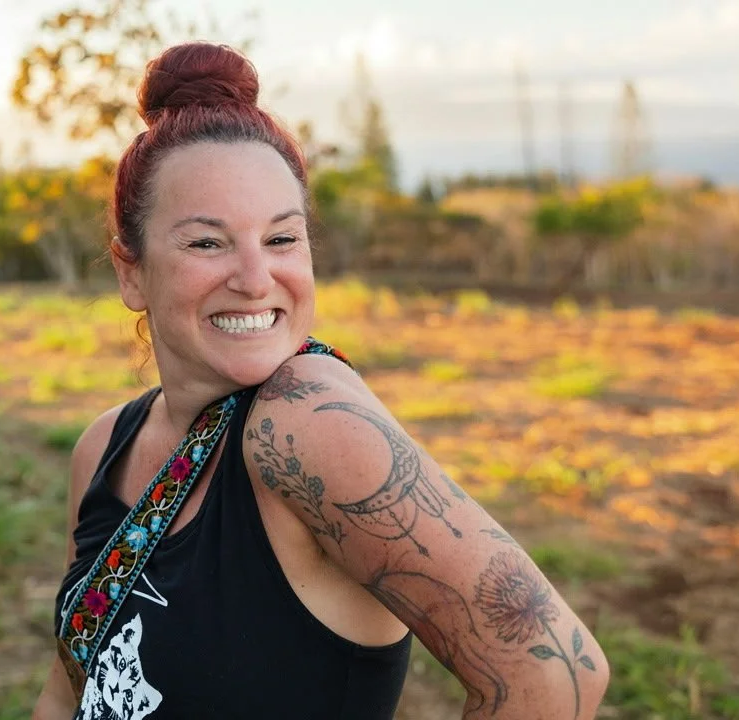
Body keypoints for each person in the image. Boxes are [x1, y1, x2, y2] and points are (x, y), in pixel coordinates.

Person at [33, 41, 609, 720]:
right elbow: (73, 685)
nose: (255, 280)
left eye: (281, 239)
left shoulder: (305, 424)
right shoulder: (105, 447)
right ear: (131, 273)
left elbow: (552, 677)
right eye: (207, 242)